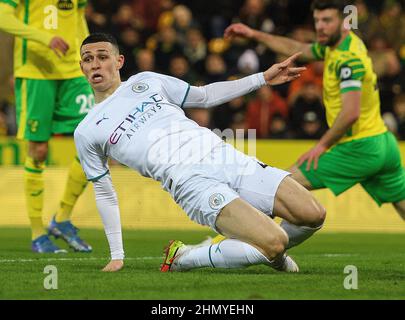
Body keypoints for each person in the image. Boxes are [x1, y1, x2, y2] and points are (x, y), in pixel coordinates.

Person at [75, 33, 326, 272]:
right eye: (88, 59)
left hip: (225, 156)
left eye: (102, 57)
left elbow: (204, 96)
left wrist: (262, 78)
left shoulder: (147, 81)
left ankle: (269, 252)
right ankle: (185, 258)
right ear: (82, 67)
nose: (95, 64)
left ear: (119, 61)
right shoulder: (87, 131)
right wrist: (117, 255)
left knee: (313, 214)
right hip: (191, 181)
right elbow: (104, 192)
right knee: (275, 242)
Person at [205, 0, 405, 248]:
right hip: (384, 144)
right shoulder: (341, 46)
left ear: (344, 22)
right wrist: (254, 34)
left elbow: (351, 112)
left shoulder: (348, 61)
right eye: (317, 20)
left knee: (276, 187)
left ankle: (220, 245)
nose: (320, 27)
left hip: (359, 148)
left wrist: (321, 146)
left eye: (327, 21)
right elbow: (298, 48)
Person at [0, 0, 93, 253]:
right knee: (38, 150)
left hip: (73, 73)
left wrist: (87, 54)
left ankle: (62, 217)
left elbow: (78, 17)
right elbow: (2, 16)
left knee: (95, 141)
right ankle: (37, 233)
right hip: (36, 73)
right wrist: (44, 38)